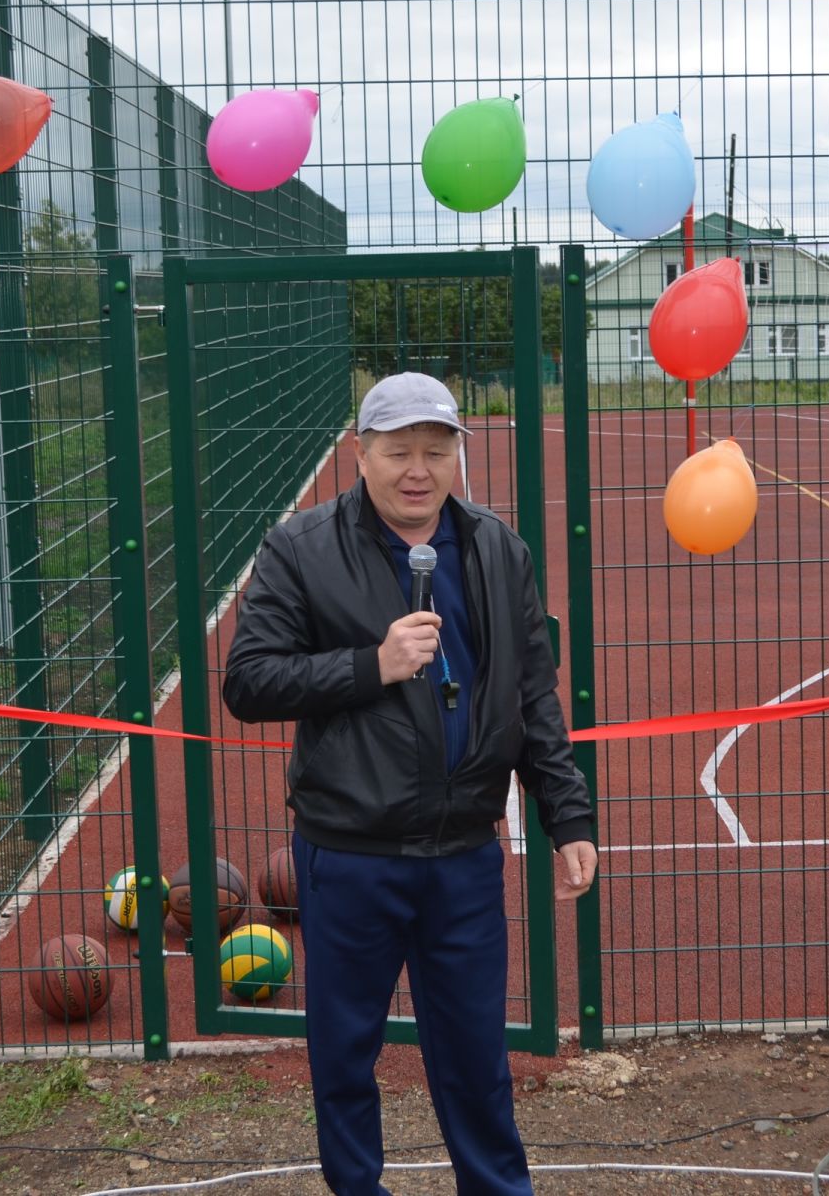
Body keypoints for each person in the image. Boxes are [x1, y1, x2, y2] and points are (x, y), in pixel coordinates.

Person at [222, 372, 598, 1196]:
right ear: (362, 454)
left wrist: (568, 816)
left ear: (460, 452)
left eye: (437, 450)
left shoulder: (499, 550)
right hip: (350, 854)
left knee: (474, 1056)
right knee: (345, 1054)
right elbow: (248, 682)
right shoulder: (302, 548)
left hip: (464, 854)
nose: (419, 470)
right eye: (399, 452)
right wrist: (373, 664)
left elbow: (532, 698)